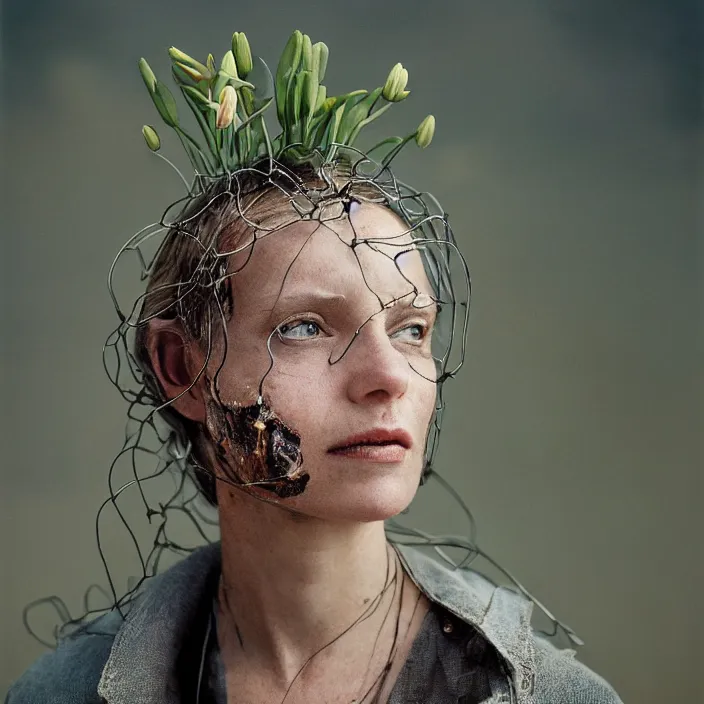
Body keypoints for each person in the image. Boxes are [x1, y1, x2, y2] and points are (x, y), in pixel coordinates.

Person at [6, 29, 623, 704]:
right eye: (304, 326)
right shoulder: (59, 694)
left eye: (411, 329)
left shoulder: (557, 695)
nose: (387, 377)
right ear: (181, 368)